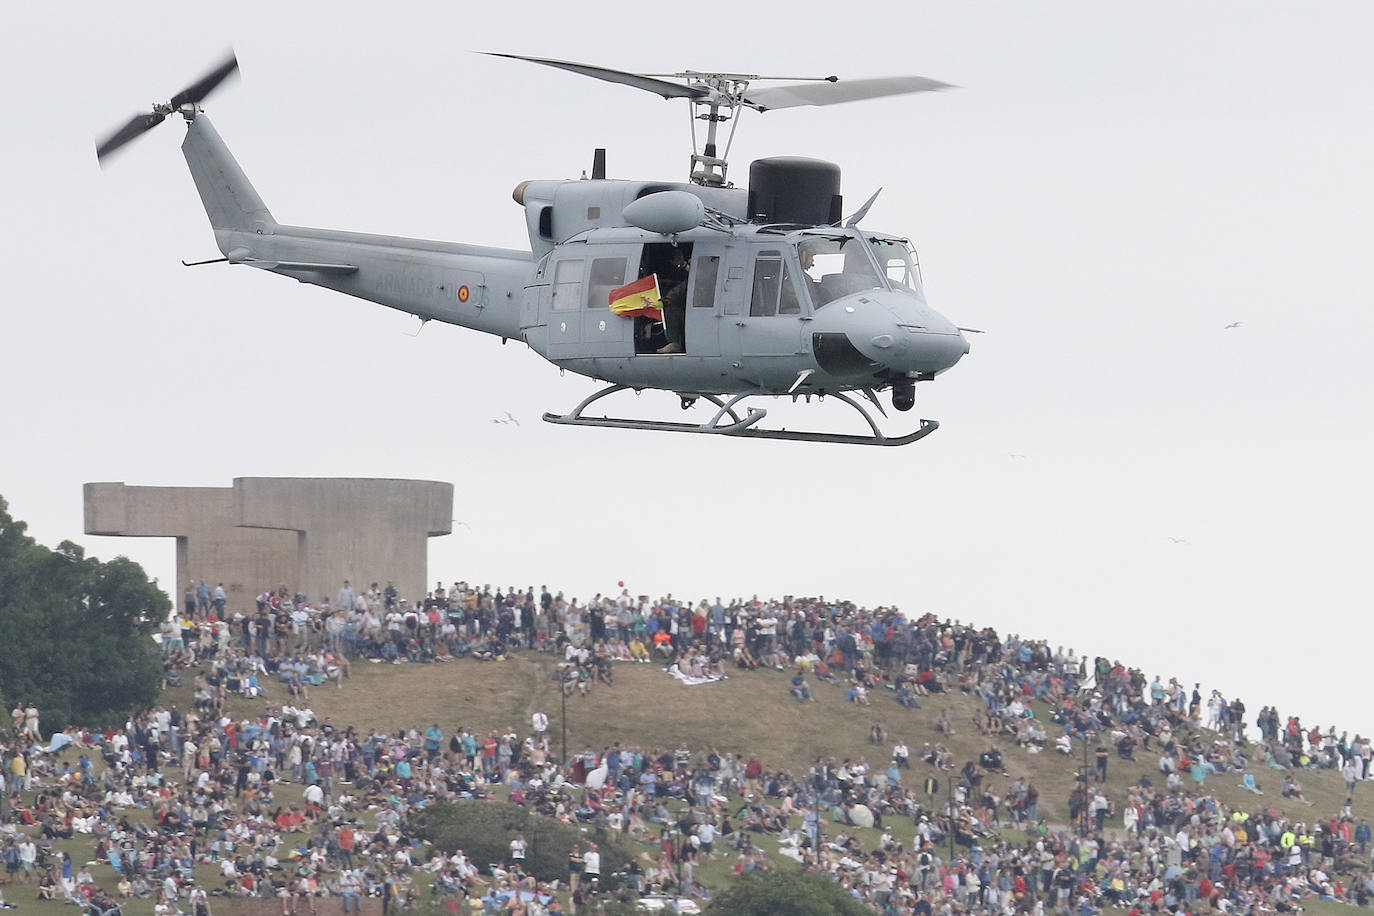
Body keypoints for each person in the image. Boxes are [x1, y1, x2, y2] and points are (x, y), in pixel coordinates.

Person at [656, 248, 690, 354]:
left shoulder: (690, 267)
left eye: (679, 256)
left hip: (694, 314)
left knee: (671, 309)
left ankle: (674, 343)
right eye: (675, 257)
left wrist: (684, 264)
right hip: (683, 314)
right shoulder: (669, 274)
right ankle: (673, 343)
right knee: (671, 310)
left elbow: (698, 278)